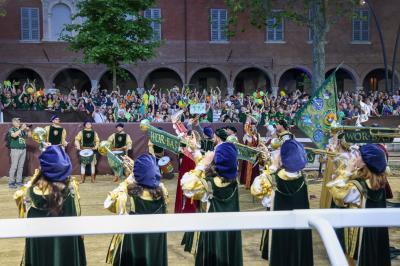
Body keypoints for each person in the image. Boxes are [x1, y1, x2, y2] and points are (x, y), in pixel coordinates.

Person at [14, 145, 86, 266]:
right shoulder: (70, 189)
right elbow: (76, 214)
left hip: (41, 246)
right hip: (66, 244)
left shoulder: (31, 191)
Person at [251, 139, 313, 265]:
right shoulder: (303, 178)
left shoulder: (272, 180)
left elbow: (256, 189)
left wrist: (272, 167)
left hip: (280, 230)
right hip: (298, 230)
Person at [181, 142, 243, 266]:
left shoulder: (207, 184)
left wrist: (203, 164)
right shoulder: (234, 182)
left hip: (211, 234)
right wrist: (196, 152)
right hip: (228, 230)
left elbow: (186, 185)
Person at [328, 144, 390, 266]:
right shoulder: (379, 179)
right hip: (375, 230)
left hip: (361, 237)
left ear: (367, 162)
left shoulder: (356, 188)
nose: (355, 157)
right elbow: (355, 174)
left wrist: (345, 172)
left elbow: (336, 193)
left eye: (359, 155)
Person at [104, 154, 168, 266]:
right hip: (154, 246)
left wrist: (129, 179)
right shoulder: (162, 192)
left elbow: (108, 203)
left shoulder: (127, 196)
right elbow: (150, 176)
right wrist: (138, 169)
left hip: (133, 248)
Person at [8, 118, 30, 188]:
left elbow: (29, 136)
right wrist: (21, 129)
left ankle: (18, 181)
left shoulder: (22, 131)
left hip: (23, 149)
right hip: (15, 150)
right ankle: (11, 182)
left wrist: (29, 129)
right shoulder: (12, 129)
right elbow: (14, 135)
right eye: (17, 121)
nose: (19, 122)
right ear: (13, 123)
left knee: (21, 166)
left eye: (19, 121)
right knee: (14, 166)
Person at [240, 119, 260, 189]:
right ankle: (248, 183)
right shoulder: (248, 135)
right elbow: (245, 141)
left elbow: (258, 144)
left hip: (254, 154)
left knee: (253, 169)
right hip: (249, 154)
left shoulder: (256, 135)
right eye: (251, 127)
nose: (252, 128)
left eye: (254, 127)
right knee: (248, 169)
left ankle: (253, 183)